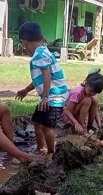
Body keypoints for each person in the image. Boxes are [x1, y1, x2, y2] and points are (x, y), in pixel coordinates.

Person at [15, 22, 69, 155]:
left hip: (54, 97)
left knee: (46, 126)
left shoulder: (39, 55)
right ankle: (40, 148)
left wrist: (45, 97)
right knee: (36, 121)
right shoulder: (42, 52)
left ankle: (51, 153)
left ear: (24, 42)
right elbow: (40, 78)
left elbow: (47, 74)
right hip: (50, 96)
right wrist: (26, 90)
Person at [61, 68, 103, 134]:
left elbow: (95, 110)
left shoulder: (90, 92)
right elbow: (67, 111)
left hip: (75, 114)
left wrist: (99, 124)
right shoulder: (78, 93)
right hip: (67, 116)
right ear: (86, 84)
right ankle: (80, 128)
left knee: (94, 99)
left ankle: (89, 126)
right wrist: (76, 124)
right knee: (87, 101)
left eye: (94, 93)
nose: (92, 94)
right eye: (91, 91)